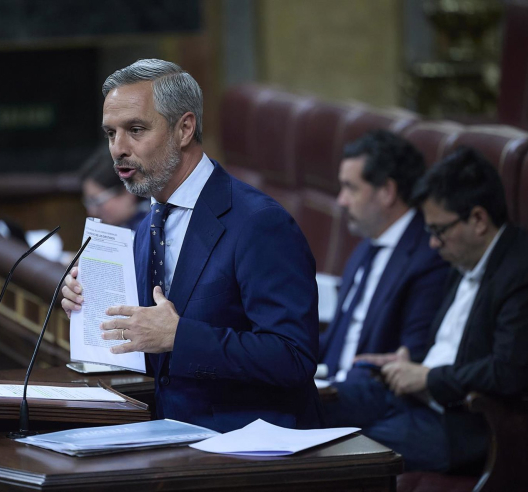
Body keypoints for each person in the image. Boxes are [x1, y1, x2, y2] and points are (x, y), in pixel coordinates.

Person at [61, 59, 323, 432]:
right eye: (110, 133)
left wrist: (179, 336)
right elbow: (156, 350)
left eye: (135, 129)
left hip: (249, 445)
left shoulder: (259, 222)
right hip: (171, 437)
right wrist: (91, 309)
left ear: (184, 128)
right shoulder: (149, 223)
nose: (117, 149)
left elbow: (293, 357)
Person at [324, 147, 528, 472]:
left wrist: (429, 378)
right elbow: (452, 347)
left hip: (461, 425)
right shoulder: (462, 257)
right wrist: (411, 361)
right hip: (416, 399)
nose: (432, 243)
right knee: (311, 408)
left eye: (438, 231)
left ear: (478, 219)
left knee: (336, 447)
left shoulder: (518, 272)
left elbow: (507, 371)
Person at [319, 130, 449, 381]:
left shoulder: (428, 258)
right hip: (326, 384)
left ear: (387, 191)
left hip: (365, 394)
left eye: (350, 188)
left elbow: (411, 358)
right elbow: (335, 341)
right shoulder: (366, 247)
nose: (341, 201)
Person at [80, 145, 150, 230]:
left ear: (127, 190)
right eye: (88, 202)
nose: (92, 212)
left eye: (96, 201)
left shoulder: (154, 227)